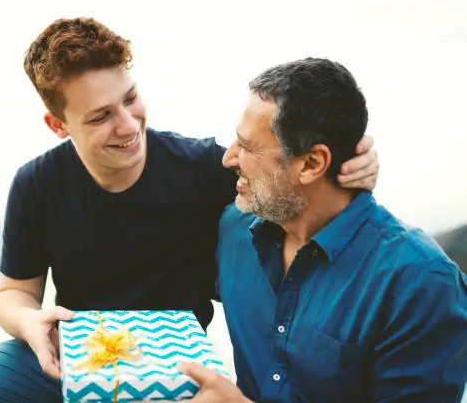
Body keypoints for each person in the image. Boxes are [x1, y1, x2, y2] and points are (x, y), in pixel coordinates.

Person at [0, 19, 379, 402]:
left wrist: (354, 160)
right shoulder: (37, 183)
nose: (129, 125)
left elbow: (292, 183)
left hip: (177, 371)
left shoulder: (202, 168)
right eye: (100, 115)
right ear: (57, 124)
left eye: (130, 99)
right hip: (70, 359)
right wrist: (28, 322)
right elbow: (13, 293)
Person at [171, 58, 467, 403]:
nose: (229, 158)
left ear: (311, 164)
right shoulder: (235, 229)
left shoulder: (421, 284)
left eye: (248, 146)